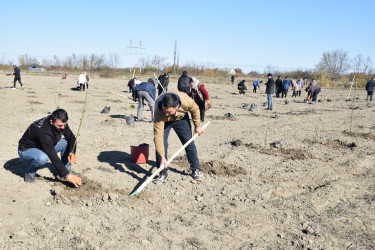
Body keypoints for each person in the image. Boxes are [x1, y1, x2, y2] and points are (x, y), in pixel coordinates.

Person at [18, 109, 82, 187]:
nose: (63, 128)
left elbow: (71, 138)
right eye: (60, 126)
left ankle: (65, 171)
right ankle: (29, 173)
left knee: (65, 143)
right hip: (26, 150)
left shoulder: (60, 122)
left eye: (65, 125)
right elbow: (52, 155)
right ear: (51, 122)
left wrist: (72, 152)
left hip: (43, 146)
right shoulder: (44, 132)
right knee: (42, 158)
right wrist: (68, 175)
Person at [152, 92, 204, 184]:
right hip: (164, 122)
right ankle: (162, 173)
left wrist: (197, 126)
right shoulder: (158, 110)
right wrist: (162, 156)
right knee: (161, 145)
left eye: (169, 112)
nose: (167, 114)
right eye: (165, 111)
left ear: (177, 107)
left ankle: (195, 169)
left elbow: (195, 110)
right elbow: (158, 135)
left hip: (181, 119)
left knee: (189, 142)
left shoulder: (186, 101)